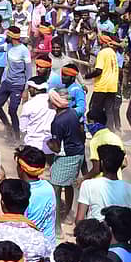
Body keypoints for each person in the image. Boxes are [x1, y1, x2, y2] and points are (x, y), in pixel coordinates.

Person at [76, 145, 131, 228]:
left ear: (102, 163)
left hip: (96, 238)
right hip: (122, 237)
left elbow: (79, 221)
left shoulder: (87, 185)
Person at [46, 89, 85, 226]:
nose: (48, 102)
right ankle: (68, 214)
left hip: (67, 157)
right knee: (68, 185)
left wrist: (48, 143)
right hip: (79, 154)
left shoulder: (57, 122)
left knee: (55, 189)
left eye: (50, 100)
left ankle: (56, 227)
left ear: (54, 103)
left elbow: (56, 148)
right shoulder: (73, 113)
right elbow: (81, 131)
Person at [0, 27, 31, 140]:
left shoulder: (24, 50)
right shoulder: (9, 46)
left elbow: (28, 72)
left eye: (7, 35)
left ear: (12, 37)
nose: (5, 37)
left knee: (12, 110)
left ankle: (17, 137)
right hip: (7, 82)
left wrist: (26, 89)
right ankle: (7, 125)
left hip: (18, 85)